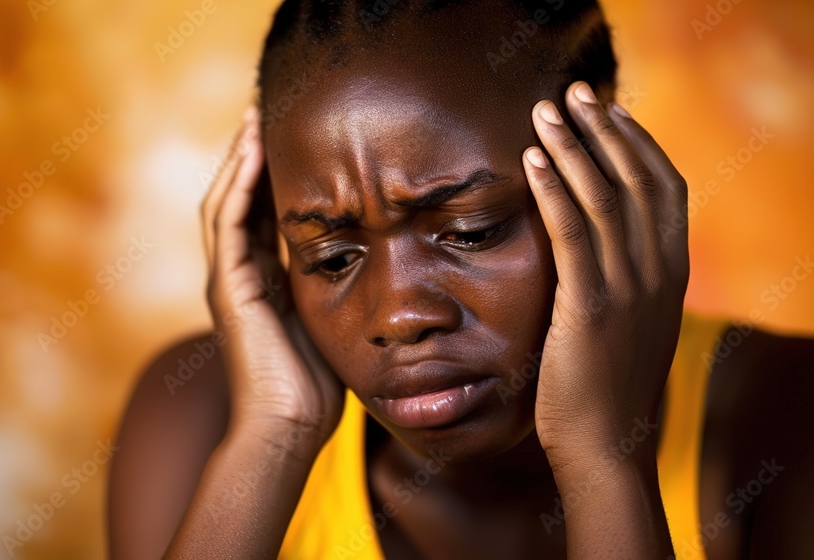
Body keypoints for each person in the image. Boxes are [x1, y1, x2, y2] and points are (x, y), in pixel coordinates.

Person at [108, 1, 814, 558]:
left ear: (612, 179)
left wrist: (603, 457)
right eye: (331, 259)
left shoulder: (784, 417)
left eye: (472, 231)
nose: (401, 314)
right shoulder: (201, 419)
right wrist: (274, 437)